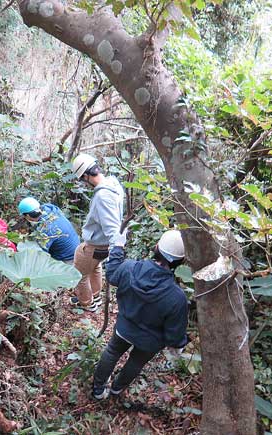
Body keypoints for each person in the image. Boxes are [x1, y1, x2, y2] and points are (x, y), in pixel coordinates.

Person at [92, 229, 189, 400]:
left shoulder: (130, 267)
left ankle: (98, 390)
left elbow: (112, 275)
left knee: (112, 351)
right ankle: (116, 390)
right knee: (136, 362)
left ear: (156, 247)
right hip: (149, 342)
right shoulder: (177, 297)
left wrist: (118, 247)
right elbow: (174, 336)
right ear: (181, 261)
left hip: (124, 328)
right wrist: (180, 344)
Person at [69, 153, 125, 312]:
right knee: (94, 268)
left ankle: (87, 303)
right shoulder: (113, 184)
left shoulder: (102, 196)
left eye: (82, 179)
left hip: (95, 245)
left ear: (86, 175)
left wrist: (116, 254)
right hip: (102, 246)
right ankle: (96, 297)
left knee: (79, 275)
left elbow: (112, 227)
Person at [17, 197, 80, 264]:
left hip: (69, 259)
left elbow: (40, 255)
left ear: (27, 215)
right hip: (76, 249)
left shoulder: (46, 229)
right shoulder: (51, 210)